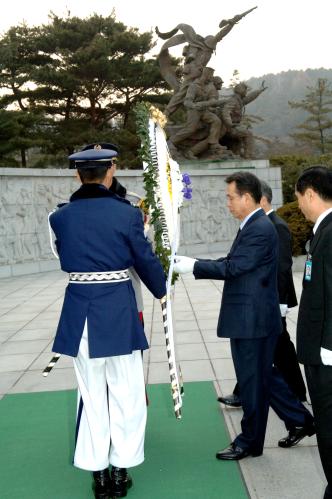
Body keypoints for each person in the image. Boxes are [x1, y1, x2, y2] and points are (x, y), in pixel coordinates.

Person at [49, 143, 166, 499]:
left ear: (77, 174)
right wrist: (161, 289)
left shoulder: (59, 216)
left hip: (79, 309)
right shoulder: (127, 214)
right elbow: (143, 259)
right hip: (116, 309)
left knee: (91, 393)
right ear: (111, 170)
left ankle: (98, 475)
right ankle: (120, 470)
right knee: (125, 392)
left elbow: (61, 255)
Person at [174, 171, 314, 460]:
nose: (228, 203)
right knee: (263, 376)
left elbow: (234, 268)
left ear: (247, 198)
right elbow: (232, 262)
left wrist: (193, 266)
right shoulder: (252, 225)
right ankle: (300, 420)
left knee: (252, 382)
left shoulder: (260, 228)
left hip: (253, 319)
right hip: (252, 317)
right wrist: (197, 264)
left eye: (231, 197)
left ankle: (249, 441)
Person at [219, 180, 307, 408]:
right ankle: (247, 392)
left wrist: (281, 302)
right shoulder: (258, 225)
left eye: (232, 197)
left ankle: (296, 395)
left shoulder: (274, 226)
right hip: (264, 303)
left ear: (262, 199)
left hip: (272, 302)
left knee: (277, 354)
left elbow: (282, 267)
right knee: (265, 357)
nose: (229, 203)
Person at [295, 166, 332, 499]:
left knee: (329, 423)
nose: (300, 206)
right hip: (321, 349)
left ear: (310, 193)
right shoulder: (323, 231)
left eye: (299, 198)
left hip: (327, 354)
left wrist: (328, 347)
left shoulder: (330, 233)